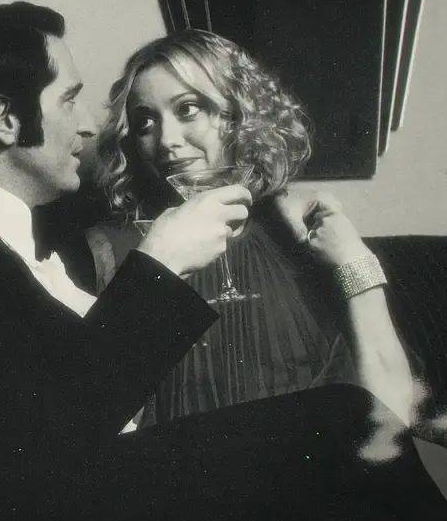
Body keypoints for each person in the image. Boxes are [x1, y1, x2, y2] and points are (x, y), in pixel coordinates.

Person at [0, 3, 447, 521]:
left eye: (190, 109)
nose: (89, 126)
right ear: (6, 120)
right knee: (344, 419)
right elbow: (42, 446)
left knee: (372, 436)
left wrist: (351, 262)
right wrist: (161, 264)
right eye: (69, 99)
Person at [91, 29, 417, 429]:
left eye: (188, 109)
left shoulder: (301, 229)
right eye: (145, 122)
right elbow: (97, 418)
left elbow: (393, 414)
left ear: (238, 114)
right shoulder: (114, 251)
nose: (167, 141)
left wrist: (355, 260)